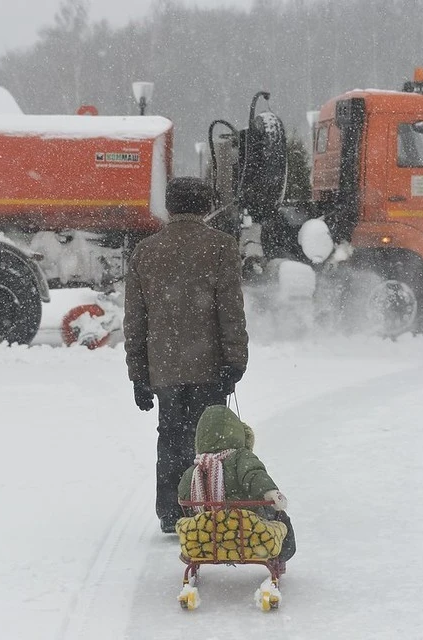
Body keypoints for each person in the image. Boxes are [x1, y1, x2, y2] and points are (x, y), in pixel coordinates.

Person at [124, 176, 249, 534]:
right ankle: (208, 505)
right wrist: (234, 361)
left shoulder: (145, 251)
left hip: (163, 368)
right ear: (207, 206)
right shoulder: (221, 247)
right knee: (208, 440)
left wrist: (138, 374)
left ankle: (172, 510)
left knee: (170, 436)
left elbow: (135, 320)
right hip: (210, 366)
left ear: (169, 207)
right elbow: (231, 312)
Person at [177, 405, 295, 564]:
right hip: (248, 531)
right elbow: (253, 474)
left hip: (207, 534)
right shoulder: (241, 457)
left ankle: (193, 553)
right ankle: (280, 557)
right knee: (280, 518)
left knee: (187, 522)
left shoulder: (197, 468)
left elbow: (184, 496)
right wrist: (270, 492)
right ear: (238, 432)